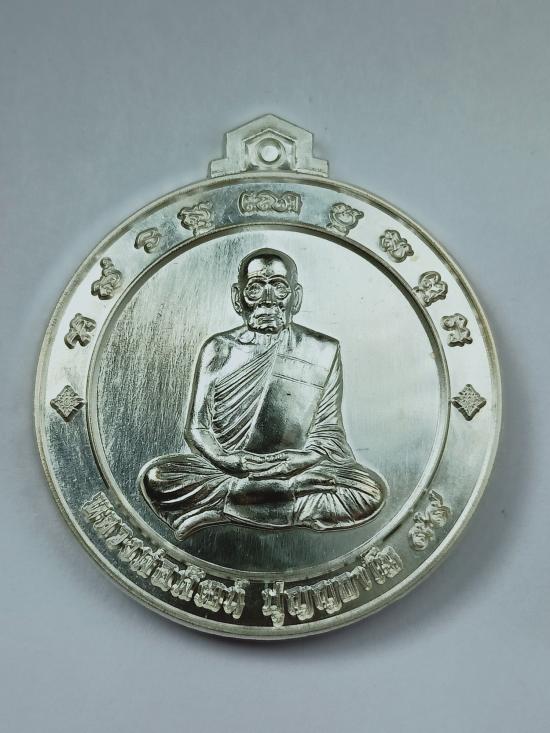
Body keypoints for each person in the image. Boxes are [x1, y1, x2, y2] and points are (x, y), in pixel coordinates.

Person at [139, 248, 386, 539]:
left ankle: (223, 508)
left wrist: (299, 461)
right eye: (255, 288)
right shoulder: (219, 348)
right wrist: (227, 460)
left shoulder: (322, 350)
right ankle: (283, 498)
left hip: (295, 468)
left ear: (296, 297)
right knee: (158, 478)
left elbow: (328, 431)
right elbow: (197, 428)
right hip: (229, 468)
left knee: (367, 491)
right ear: (238, 297)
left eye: (279, 288)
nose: (268, 300)